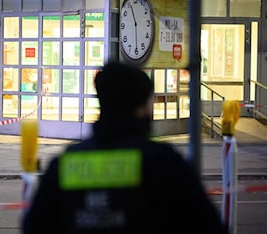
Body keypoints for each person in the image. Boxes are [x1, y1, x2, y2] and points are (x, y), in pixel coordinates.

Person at [22, 61, 227, 234]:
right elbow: (207, 224)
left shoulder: (65, 163)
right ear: (140, 107)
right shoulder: (163, 162)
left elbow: (35, 226)